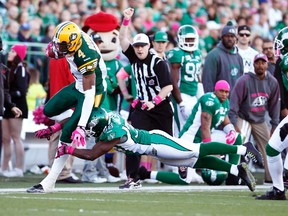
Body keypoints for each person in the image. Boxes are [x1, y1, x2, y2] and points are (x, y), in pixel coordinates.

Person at [37, 107, 265, 194]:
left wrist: (67, 148)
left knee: (196, 150)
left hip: (157, 142)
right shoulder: (101, 116)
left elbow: (92, 154)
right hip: (154, 149)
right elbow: (79, 116)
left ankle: (242, 148)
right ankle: (237, 170)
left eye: (90, 129)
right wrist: (56, 126)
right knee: (195, 161)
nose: (87, 131)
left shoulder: (113, 132)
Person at [27, 21, 107, 192]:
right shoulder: (71, 41)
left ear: (73, 43)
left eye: (62, 45)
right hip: (78, 85)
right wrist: (56, 125)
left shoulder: (86, 55)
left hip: (94, 91)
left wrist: (80, 125)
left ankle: (49, 182)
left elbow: (89, 93)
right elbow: (56, 48)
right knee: (48, 110)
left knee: (68, 133)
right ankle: (67, 123)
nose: (57, 48)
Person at [118, 8, 174, 189]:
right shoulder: (133, 57)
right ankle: (132, 178)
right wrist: (126, 20)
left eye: (142, 45)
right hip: (142, 108)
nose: (139, 49)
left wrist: (154, 101)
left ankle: (187, 164)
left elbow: (168, 87)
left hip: (160, 107)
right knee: (131, 142)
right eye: (137, 46)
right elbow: (121, 39)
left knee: (169, 149)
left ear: (149, 46)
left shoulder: (158, 62)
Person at [179, 80, 246, 185]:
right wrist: (211, 151)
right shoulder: (209, 100)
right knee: (184, 180)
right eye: (221, 91)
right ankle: (148, 173)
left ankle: (233, 175)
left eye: (226, 92)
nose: (224, 94)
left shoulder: (225, 102)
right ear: (215, 91)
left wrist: (231, 131)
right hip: (191, 139)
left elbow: (225, 121)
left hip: (206, 136)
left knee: (237, 137)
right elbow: (204, 128)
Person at [229, 53, 280, 184]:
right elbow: (234, 103)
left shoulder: (272, 82)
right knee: (240, 142)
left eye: (263, 63)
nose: (260, 65)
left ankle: (271, 179)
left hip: (260, 119)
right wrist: (234, 124)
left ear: (267, 64)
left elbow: (275, 106)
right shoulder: (244, 80)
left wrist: (274, 125)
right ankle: (236, 176)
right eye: (258, 62)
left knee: (270, 147)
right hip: (243, 116)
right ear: (253, 64)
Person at [167, 25, 203, 136]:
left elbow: (198, 77)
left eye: (192, 39)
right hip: (182, 95)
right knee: (181, 131)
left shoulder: (197, 53)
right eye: (187, 39)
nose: (190, 42)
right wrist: (180, 102)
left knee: (195, 128)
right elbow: (173, 81)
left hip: (193, 95)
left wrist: (201, 95)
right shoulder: (177, 54)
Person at [2, 44, 29, 177]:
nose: (10, 53)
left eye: (13, 51)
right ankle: (4, 168)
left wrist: (6, 96)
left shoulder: (21, 69)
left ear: (19, 54)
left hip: (17, 106)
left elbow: (22, 91)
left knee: (16, 137)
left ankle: (19, 169)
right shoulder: (8, 69)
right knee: (5, 138)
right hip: (8, 106)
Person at [0, 36, 22, 173]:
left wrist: (11, 105)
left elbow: (6, 90)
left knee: (8, 139)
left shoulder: (4, 69)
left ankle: (17, 168)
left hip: (2, 111)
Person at [202, 21, 244, 93]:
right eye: (227, 36)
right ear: (222, 38)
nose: (230, 38)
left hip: (235, 101)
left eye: (232, 36)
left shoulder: (238, 57)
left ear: (236, 39)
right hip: (219, 101)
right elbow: (208, 81)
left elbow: (241, 82)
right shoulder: (213, 55)